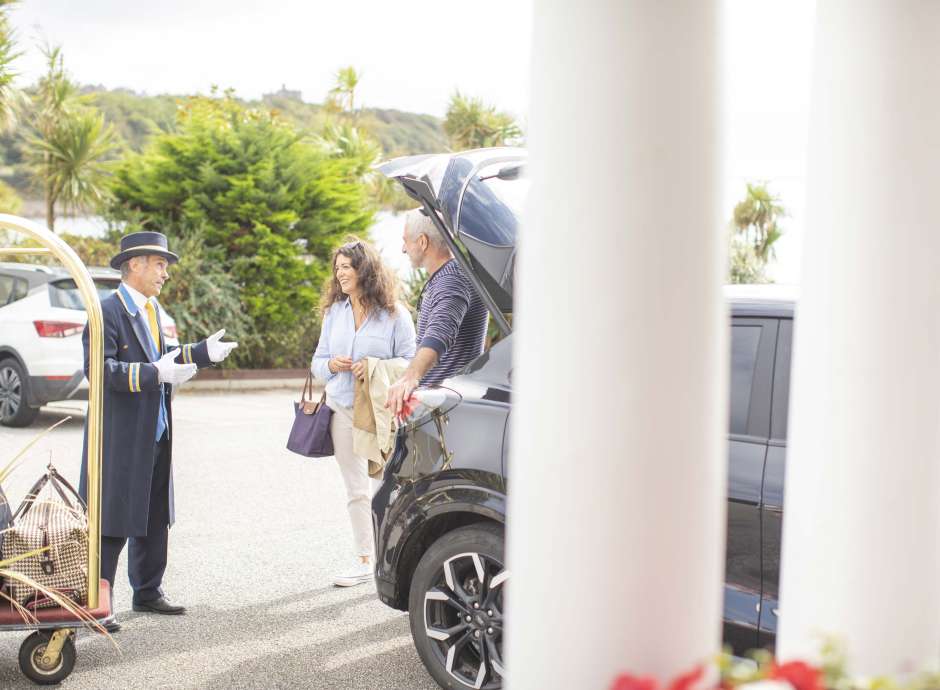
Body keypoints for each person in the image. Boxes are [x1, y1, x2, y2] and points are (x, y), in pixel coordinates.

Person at [80, 231, 238, 631]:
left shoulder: (152, 310)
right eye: (160, 263)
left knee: (152, 513)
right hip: (120, 435)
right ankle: (99, 603)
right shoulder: (106, 312)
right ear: (134, 264)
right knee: (113, 520)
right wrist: (154, 373)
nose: (165, 272)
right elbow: (100, 371)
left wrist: (202, 352)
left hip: (155, 428)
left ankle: (147, 591)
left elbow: (164, 358)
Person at [311, 237, 416, 587]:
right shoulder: (334, 314)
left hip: (381, 412)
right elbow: (316, 363)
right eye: (337, 267)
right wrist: (332, 365)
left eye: (347, 267)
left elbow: (411, 364)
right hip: (341, 407)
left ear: (364, 269)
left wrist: (373, 366)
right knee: (355, 489)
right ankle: (363, 559)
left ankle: (392, 558)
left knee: (383, 486)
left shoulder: (394, 314)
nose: (340, 273)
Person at [385, 209, 488, 416]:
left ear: (422, 242)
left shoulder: (451, 279)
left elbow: (440, 332)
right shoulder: (449, 275)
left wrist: (410, 377)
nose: (403, 249)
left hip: (447, 410)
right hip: (447, 405)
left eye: (406, 241)